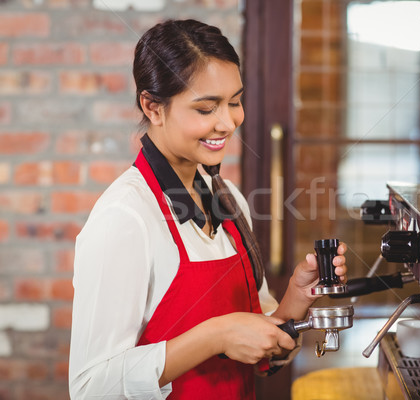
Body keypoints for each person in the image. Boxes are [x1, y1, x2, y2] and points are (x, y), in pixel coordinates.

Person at [68, 19, 348, 399]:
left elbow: (256, 344)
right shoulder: (125, 216)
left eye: (234, 101)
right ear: (152, 107)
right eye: (206, 109)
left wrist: (295, 301)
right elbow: (90, 387)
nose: (228, 122)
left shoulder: (229, 200)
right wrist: (217, 334)